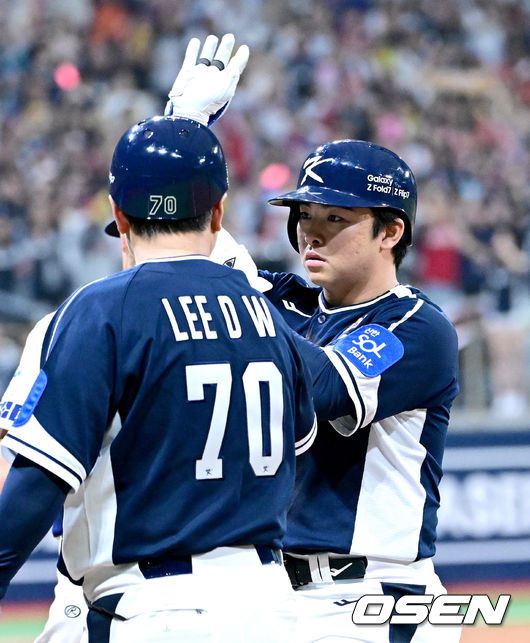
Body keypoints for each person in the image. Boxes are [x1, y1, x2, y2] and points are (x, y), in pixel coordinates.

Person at [164, 36, 461, 642]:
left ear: (390, 232)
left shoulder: (417, 326)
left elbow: (323, 385)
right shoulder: (287, 302)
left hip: (378, 598)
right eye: (304, 214)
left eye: (335, 218)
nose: (310, 232)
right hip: (278, 593)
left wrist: (238, 297)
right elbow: (179, 240)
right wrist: (184, 127)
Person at [0, 108, 317, 642]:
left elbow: (37, 484)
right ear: (218, 213)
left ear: (118, 216)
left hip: (156, 608)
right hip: (272, 606)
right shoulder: (269, 315)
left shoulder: (102, 310)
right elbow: (301, 440)